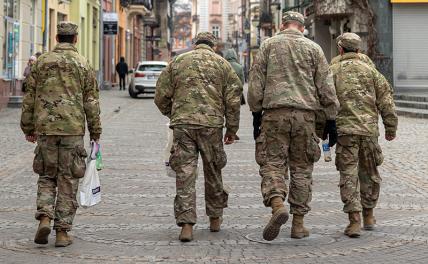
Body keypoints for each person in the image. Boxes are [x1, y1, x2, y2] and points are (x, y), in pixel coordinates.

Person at [248, 11, 339, 241]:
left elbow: (256, 83)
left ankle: (277, 203)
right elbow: (326, 87)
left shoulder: (268, 46)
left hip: (274, 115)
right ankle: (298, 225)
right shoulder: (314, 49)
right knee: (302, 168)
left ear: (282, 25)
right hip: (305, 117)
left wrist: (256, 113)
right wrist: (330, 119)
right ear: (302, 27)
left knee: (272, 163)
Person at [155, 32, 242, 242]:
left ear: (195, 44)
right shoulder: (223, 65)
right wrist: (231, 129)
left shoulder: (177, 62)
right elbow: (233, 100)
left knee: (185, 174)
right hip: (211, 127)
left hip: (183, 125)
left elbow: (160, 95)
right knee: (213, 172)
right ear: (213, 45)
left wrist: (174, 113)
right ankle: (215, 218)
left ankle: (186, 225)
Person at [21, 21, 101, 247]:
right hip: (72, 131)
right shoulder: (83, 64)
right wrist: (95, 132)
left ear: (56, 38)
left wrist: (28, 128)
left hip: (46, 129)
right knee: (68, 179)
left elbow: (29, 98)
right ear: (75, 38)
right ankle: (63, 232)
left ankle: (45, 217)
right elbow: (91, 102)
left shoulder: (41, 62)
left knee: (47, 175)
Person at [330, 32, 398, 238]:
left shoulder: (332, 71)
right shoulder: (372, 71)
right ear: (359, 50)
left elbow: (325, 100)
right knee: (369, 173)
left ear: (340, 49)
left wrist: (320, 129)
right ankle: (369, 214)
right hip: (368, 132)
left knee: (348, 174)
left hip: (345, 132)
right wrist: (390, 128)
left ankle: (354, 220)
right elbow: (386, 101)